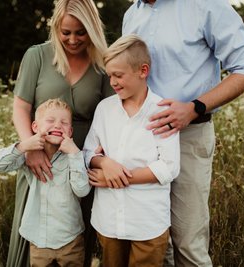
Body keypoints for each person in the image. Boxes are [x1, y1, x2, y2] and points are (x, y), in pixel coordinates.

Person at [122, 0, 244, 266]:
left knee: (188, 242)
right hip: (140, 139)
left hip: (189, 135)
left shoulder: (205, 5)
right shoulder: (132, 14)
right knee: (152, 242)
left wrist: (194, 108)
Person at [11, 0, 113, 266]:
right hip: (40, 160)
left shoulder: (103, 64)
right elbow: (21, 108)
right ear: (55, 27)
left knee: (77, 241)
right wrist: (30, 147)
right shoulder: (37, 56)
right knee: (37, 234)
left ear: (92, 29)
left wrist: (100, 158)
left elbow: (113, 114)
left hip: (82, 164)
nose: (72, 39)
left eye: (81, 32)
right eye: (65, 32)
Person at [83, 34, 180, 267]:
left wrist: (116, 179)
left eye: (119, 75)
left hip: (147, 222)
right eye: (110, 76)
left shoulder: (162, 111)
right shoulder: (105, 109)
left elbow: (168, 167)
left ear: (143, 70)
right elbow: (88, 152)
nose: (113, 82)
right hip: (109, 220)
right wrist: (106, 164)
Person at [0, 99, 90, 267]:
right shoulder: (29, 156)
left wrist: (74, 154)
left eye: (64, 123)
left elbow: (82, 190)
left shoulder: (75, 157)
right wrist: (23, 146)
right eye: (50, 121)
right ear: (35, 127)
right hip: (38, 239)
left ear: (70, 131)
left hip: (70, 239)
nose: (58, 125)